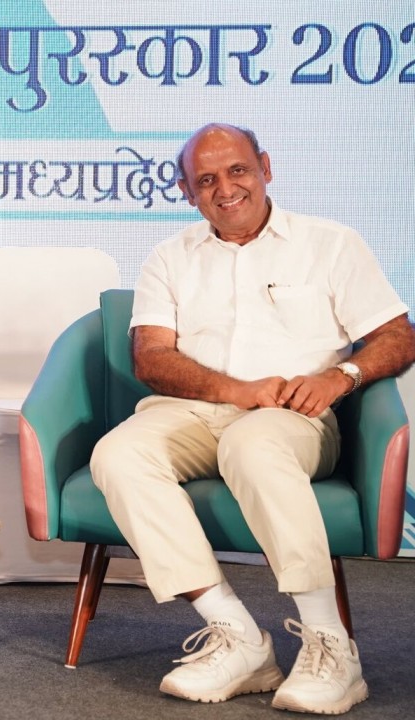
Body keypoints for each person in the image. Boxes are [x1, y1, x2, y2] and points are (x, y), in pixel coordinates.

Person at [89, 123, 415, 714]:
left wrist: (340, 376)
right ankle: (238, 638)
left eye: (237, 170)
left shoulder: (330, 243)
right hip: (192, 411)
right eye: (205, 179)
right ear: (187, 192)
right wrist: (236, 391)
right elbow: (152, 358)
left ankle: (332, 647)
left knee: (253, 445)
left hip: (294, 417)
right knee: (118, 453)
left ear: (265, 167)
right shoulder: (170, 257)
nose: (225, 188)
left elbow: (397, 337)